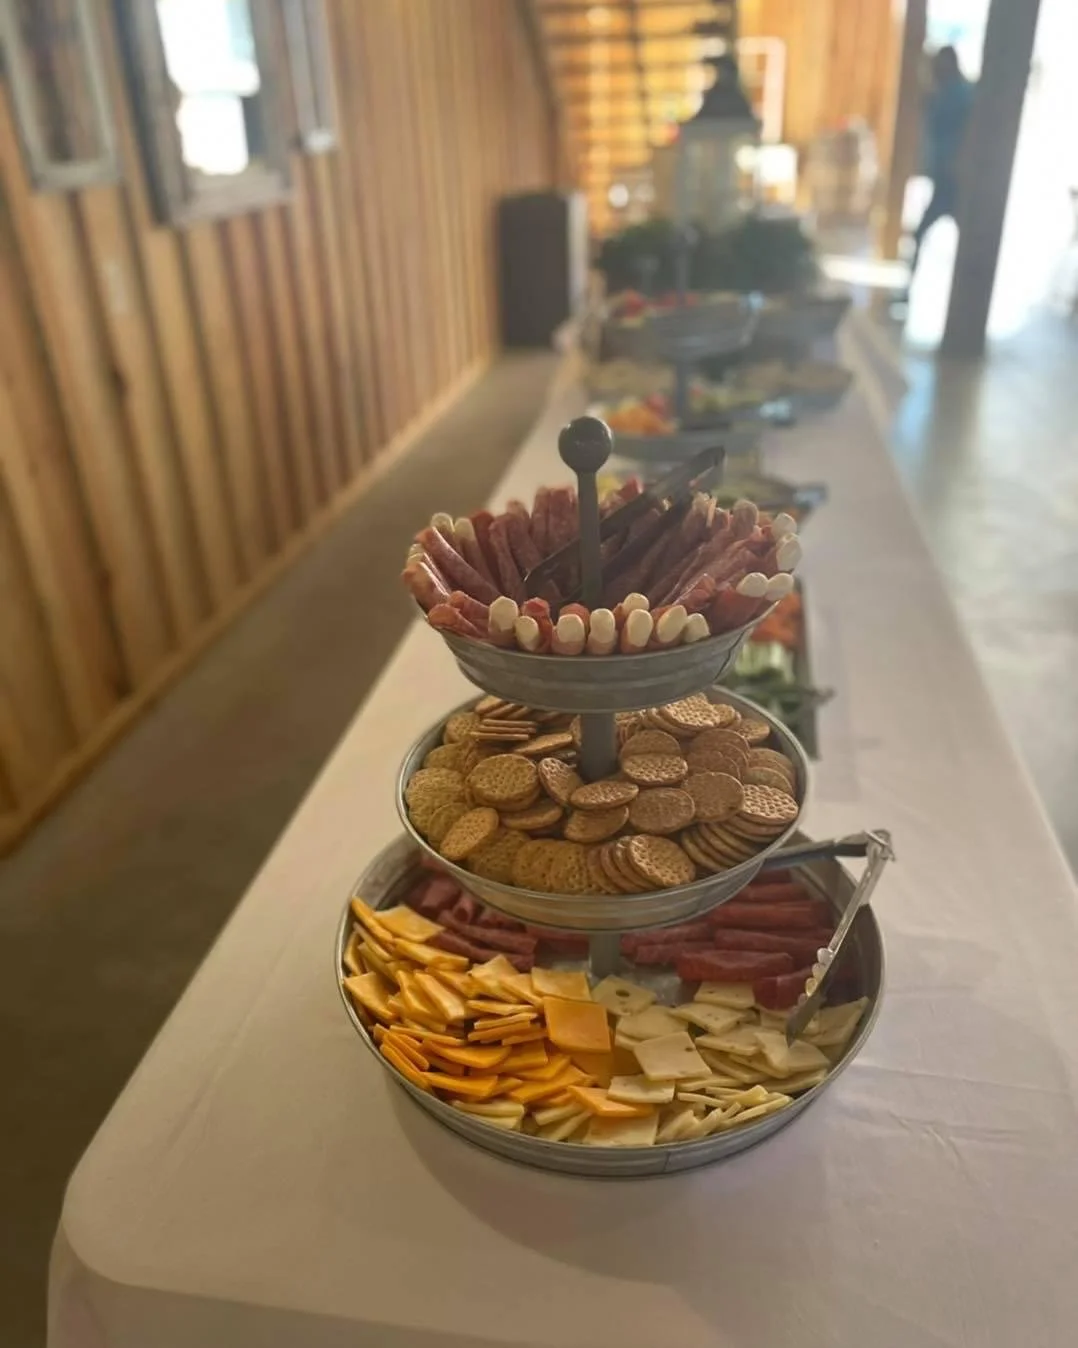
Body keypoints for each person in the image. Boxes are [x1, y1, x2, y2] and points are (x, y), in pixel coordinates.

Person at [902, 46, 975, 296]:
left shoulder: (962, 95)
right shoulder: (944, 93)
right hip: (945, 177)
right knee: (924, 232)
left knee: (932, 233)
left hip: (955, 178)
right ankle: (910, 285)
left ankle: (966, 292)